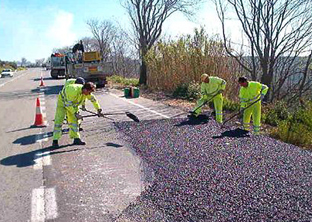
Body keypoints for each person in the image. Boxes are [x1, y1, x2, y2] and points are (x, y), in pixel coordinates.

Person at [52, 82, 103, 148]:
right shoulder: (73, 91)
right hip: (62, 103)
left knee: (74, 122)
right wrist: (75, 114)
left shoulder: (86, 92)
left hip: (73, 105)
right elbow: (67, 104)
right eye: (89, 92)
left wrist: (98, 109)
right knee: (59, 121)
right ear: (85, 90)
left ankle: (76, 139)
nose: (89, 94)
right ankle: (55, 141)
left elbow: (93, 100)